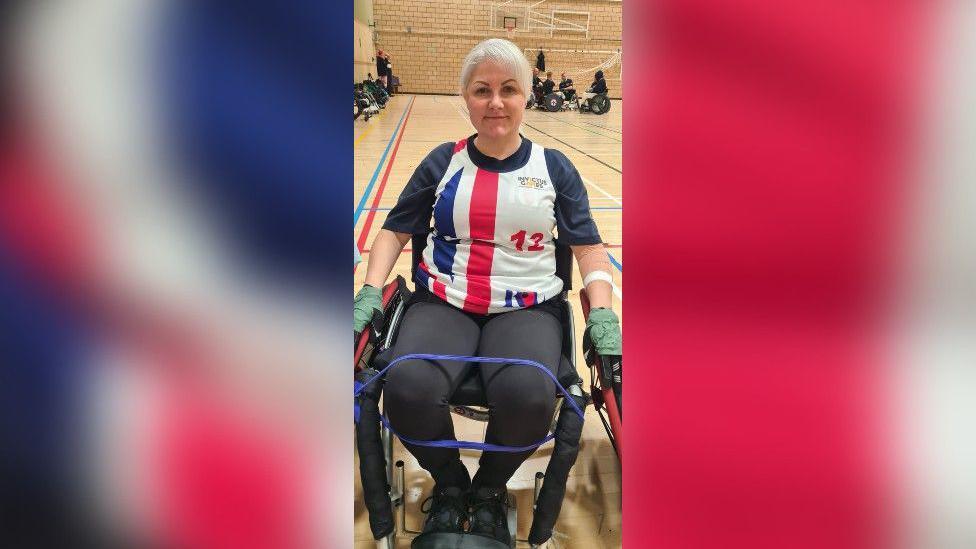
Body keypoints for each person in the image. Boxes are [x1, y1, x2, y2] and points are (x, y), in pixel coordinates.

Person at [353, 38, 621, 545]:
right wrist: (369, 291)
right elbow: (392, 232)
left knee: (527, 395)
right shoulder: (442, 162)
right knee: (407, 387)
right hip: (445, 300)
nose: (495, 102)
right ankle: (452, 487)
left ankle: (491, 490)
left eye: (508, 89)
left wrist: (602, 313)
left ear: (525, 97)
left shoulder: (554, 169)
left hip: (527, 308)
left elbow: (587, 248)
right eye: (482, 91)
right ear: (466, 98)